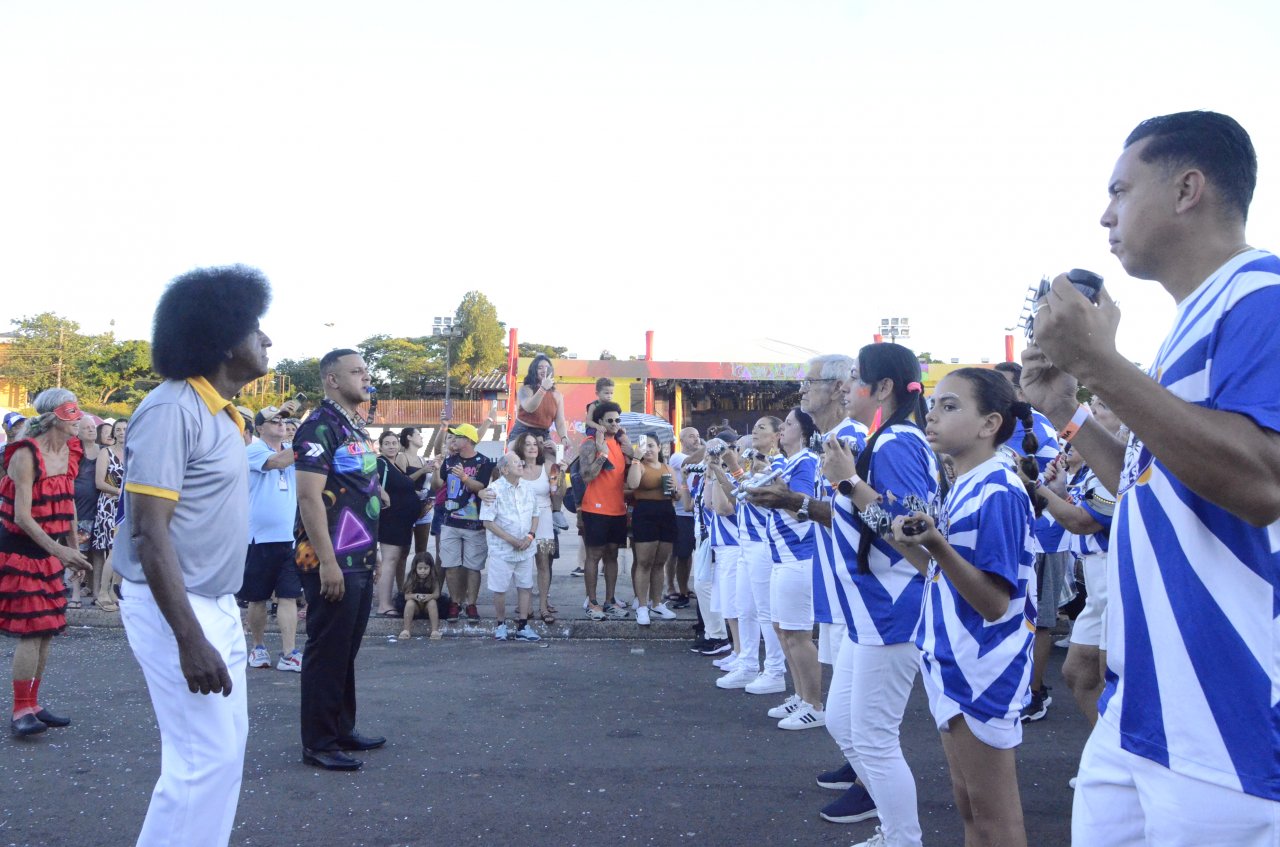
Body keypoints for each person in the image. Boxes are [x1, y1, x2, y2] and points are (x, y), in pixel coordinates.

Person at [1022, 111, 1280, 845]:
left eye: (1120, 189)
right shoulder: (1191, 320)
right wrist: (1069, 410)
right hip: (1144, 704)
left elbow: (1262, 481)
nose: (1105, 214)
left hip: (1222, 715)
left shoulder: (1261, 294)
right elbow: (1157, 483)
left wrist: (1104, 364)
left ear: (1187, 188)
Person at [110, 265, 272, 846]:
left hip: (217, 604)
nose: (267, 341)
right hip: (175, 608)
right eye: (257, 330)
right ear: (225, 339)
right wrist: (188, 637)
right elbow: (149, 534)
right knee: (200, 761)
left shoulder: (225, 417)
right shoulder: (171, 409)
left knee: (223, 758)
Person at [891, 367, 1037, 847]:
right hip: (954, 660)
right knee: (969, 806)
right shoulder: (968, 483)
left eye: (950, 406)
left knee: (995, 817)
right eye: (934, 405)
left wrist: (938, 544)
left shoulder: (997, 488)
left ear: (989, 423)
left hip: (984, 667)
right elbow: (939, 571)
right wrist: (915, 539)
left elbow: (994, 602)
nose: (932, 416)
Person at [818, 344, 936, 843]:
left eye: (854, 378)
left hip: (895, 609)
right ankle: (893, 829)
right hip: (873, 611)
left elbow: (914, 541)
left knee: (873, 738)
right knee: (844, 723)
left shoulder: (897, 444)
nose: (845, 386)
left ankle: (902, 837)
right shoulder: (885, 439)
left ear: (883, 388)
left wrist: (847, 484)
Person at [292, 349, 385, 772]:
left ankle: (341, 728)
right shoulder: (318, 427)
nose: (366, 377)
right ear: (332, 380)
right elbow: (309, 497)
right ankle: (319, 742)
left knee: (345, 648)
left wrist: (374, 551)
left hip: (359, 554)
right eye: (357, 371)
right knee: (326, 649)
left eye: (366, 370)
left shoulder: (355, 426)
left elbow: (362, 492)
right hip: (329, 557)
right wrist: (327, 563)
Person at [0, 388, 92, 736]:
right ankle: (20, 710)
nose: (80, 418)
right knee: (31, 631)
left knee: (46, 633)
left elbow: (66, 502)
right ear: (55, 416)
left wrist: (72, 548)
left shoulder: (70, 452)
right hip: (21, 551)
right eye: (73, 411)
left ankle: (33, 704)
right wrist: (61, 552)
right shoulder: (25, 453)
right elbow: (22, 517)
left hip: (51, 550)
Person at [994, 361, 1065, 722]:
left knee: (1038, 619)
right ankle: (1017, 688)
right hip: (1010, 535)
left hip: (1042, 536)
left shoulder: (1037, 426)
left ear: (1020, 392)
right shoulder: (994, 428)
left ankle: (1036, 693)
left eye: (1001, 386)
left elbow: (1054, 484)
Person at [746, 408, 823, 729]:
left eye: (789, 424)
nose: (782, 430)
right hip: (783, 558)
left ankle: (814, 704)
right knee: (783, 630)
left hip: (798, 558)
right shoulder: (792, 462)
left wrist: (775, 496)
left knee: (797, 634)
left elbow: (802, 507)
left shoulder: (805, 462)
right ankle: (801, 696)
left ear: (803, 432)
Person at [242, 405, 303, 673]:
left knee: (289, 596)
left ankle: (289, 653)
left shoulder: (291, 450)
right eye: (273, 420)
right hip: (259, 538)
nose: (280, 424)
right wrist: (308, 441)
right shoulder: (254, 450)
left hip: (288, 538)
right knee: (258, 598)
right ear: (259, 428)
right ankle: (257, 647)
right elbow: (277, 463)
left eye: (283, 420)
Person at [577, 401, 634, 620]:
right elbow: (587, 476)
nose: (615, 424)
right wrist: (602, 454)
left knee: (613, 556)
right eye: (610, 420)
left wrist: (632, 452)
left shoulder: (621, 444)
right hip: (596, 509)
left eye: (618, 420)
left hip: (618, 509)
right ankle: (592, 602)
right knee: (593, 556)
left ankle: (610, 601)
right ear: (600, 422)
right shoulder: (590, 443)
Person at [434, 423, 495, 622]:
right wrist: (435, 470)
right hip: (450, 521)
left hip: (474, 523)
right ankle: (455, 602)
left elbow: (481, 486)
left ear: (468, 440)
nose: (454, 440)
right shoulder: (449, 460)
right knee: (450, 565)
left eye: (458, 437)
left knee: (473, 566)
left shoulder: (483, 462)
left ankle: (471, 604)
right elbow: (438, 485)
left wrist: (464, 477)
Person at [480, 452, 541, 641]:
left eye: (520, 462)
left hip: (526, 547)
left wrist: (530, 535)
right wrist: (511, 540)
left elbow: (535, 514)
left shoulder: (528, 488)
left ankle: (523, 626)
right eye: (516, 463)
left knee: (525, 586)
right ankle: (501, 625)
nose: (521, 465)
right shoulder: (493, 490)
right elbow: (488, 522)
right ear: (504, 469)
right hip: (502, 549)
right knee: (500, 589)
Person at [624, 433, 680, 626]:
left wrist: (675, 489)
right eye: (644, 446)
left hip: (666, 512)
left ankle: (656, 603)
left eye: (651, 445)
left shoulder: (667, 468)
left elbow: (678, 495)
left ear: (659, 448)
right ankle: (641, 605)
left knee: (660, 562)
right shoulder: (638, 465)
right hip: (645, 511)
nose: (648, 449)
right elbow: (632, 484)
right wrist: (635, 459)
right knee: (644, 562)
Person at [510, 434, 560, 624]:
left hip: (545, 518)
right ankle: (526, 606)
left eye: (535, 444)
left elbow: (556, 493)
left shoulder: (548, 466)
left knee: (543, 563)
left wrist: (559, 475)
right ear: (521, 448)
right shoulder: (516, 468)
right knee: (522, 564)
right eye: (528, 444)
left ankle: (544, 606)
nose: (532, 447)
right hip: (522, 520)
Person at [375, 431, 418, 617]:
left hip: (401, 522)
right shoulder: (380, 463)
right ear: (381, 446)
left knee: (393, 560)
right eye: (387, 443)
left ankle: (387, 601)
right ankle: (383, 604)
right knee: (389, 561)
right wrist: (382, 493)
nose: (391, 446)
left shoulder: (395, 465)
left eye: (394, 443)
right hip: (390, 520)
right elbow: (368, 479)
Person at [91, 418, 127, 611]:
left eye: (125, 429)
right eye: (118, 429)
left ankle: (114, 591)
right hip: (110, 506)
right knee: (113, 549)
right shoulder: (106, 452)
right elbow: (99, 482)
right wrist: (120, 492)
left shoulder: (132, 453)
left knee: (121, 551)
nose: (122, 432)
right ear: (113, 433)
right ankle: (103, 592)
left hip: (127, 507)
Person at [665, 426, 702, 606]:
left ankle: (684, 587)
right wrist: (707, 447)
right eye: (691, 436)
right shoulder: (676, 457)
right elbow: (689, 461)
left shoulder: (702, 458)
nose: (696, 439)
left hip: (697, 512)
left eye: (698, 436)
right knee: (679, 553)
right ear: (681, 440)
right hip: (680, 513)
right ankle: (675, 588)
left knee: (688, 555)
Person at [68, 415, 101, 608]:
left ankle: (96, 591)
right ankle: (75, 595)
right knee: (78, 552)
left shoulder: (103, 451)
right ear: (78, 432)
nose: (91, 430)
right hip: (79, 509)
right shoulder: (75, 453)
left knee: (98, 553)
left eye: (92, 427)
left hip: (100, 509)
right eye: (86, 427)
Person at [395, 427, 437, 563]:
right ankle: (401, 584)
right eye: (418, 434)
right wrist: (422, 471)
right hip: (406, 508)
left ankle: (420, 581)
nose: (421, 437)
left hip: (423, 509)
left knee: (422, 551)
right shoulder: (402, 457)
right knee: (404, 551)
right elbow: (401, 481)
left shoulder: (421, 459)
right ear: (409, 437)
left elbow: (428, 483)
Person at [509, 355, 568, 444]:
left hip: (543, 434)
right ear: (534, 371)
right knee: (512, 457)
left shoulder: (557, 395)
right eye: (540, 368)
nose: (544, 370)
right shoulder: (525, 389)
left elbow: (560, 420)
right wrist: (543, 388)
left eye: (547, 368)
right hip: (522, 431)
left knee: (555, 456)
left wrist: (564, 437)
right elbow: (529, 407)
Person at [398, 552, 441, 640]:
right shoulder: (411, 577)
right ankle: (406, 630)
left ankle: (435, 630)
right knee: (410, 603)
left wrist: (429, 597)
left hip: (427, 606)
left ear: (431, 568)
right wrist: (415, 596)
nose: (423, 571)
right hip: (415, 606)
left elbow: (437, 594)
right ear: (415, 568)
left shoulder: (433, 578)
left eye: (426, 568)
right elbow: (406, 596)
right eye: (420, 568)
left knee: (432, 602)